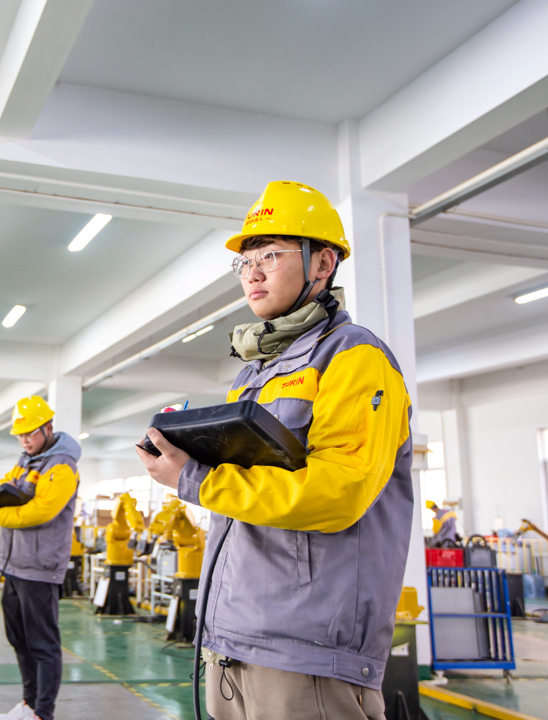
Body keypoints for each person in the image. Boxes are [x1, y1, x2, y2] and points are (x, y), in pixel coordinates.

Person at [136, 180, 413, 720]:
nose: (253, 273)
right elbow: (245, 491)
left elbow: (338, 494)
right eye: (244, 262)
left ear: (322, 263)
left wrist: (194, 480)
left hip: (306, 650)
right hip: (230, 639)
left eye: (270, 255)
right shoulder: (252, 375)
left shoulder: (355, 359)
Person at [0, 395, 81, 720]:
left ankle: (43, 713)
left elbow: (41, 512)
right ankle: (29, 704)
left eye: (30, 433)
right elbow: (6, 486)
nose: (24, 440)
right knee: (19, 639)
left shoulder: (62, 467)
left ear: (48, 428)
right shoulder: (25, 461)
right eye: (20, 435)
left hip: (40, 569)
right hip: (15, 565)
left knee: (43, 646)